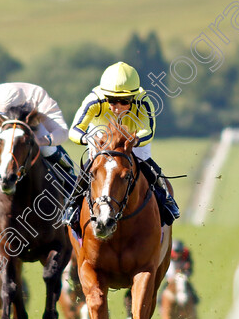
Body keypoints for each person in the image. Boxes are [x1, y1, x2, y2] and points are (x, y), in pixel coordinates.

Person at [64, 61, 180, 230]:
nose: (117, 107)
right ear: (105, 96)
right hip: (102, 136)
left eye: (124, 101)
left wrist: (134, 141)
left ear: (133, 97)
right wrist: (87, 138)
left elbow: (148, 131)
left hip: (133, 136)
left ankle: (166, 199)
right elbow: (74, 130)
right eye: (111, 101)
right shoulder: (94, 100)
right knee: (91, 166)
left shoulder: (144, 102)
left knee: (145, 162)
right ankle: (73, 205)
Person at [0, 82, 76, 207]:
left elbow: (62, 131)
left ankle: (70, 183)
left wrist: (43, 140)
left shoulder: (38, 96)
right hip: (3, 130)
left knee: (48, 150)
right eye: (4, 115)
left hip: (34, 127)